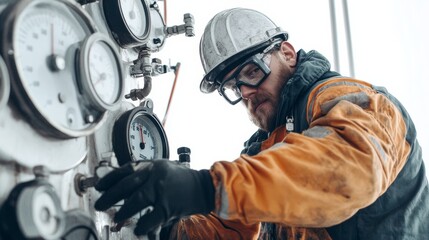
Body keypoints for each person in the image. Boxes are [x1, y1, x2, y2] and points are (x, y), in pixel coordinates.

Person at [94, 8, 429, 240]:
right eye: (233, 87)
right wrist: (166, 224)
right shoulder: (265, 153)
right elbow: (230, 231)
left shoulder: (350, 100)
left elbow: (344, 170)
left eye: (252, 72)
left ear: (287, 53)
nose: (247, 93)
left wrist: (203, 187)